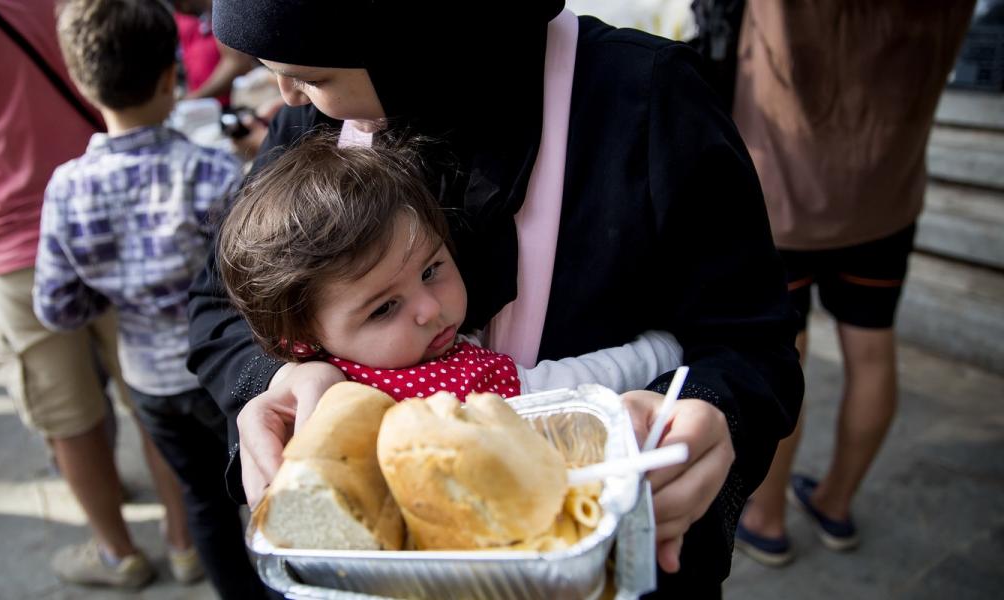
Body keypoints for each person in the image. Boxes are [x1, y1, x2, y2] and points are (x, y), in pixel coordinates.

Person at [189, 1, 804, 596]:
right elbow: (220, 303)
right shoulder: (319, 119)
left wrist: (711, 410)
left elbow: (751, 343)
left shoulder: (645, 98)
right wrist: (273, 381)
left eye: (310, 77)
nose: (289, 97)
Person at [0, 0, 196, 589]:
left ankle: (117, 553)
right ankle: (186, 543)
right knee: (152, 394)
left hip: (15, 234)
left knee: (66, 414)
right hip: (130, 216)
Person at [34, 0, 267, 595]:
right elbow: (255, 272)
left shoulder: (65, 189)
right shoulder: (210, 170)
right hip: (224, 372)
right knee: (267, 484)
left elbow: (56, 306)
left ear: (81, 83)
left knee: (202, 502)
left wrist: (116, 295)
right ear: (172, 76)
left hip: (149, 381)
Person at [731, 2, 976, 567]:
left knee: (781, 358)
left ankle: (766, 519)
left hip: (781, 201)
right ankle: (835, 504)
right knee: (871, 351)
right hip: (884, 196)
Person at [219, 133, 682, 401]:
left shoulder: (333, 372)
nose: (429, 309)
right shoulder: (452, 385)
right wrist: (662, 350)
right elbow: (569, 388)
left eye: (430, 270)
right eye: (384, 309)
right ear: (300, 338)